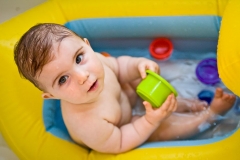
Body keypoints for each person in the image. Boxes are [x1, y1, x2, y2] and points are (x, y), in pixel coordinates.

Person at [14, 23, 236, 154]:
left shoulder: (97, 61)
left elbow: (119, 66)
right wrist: (150, 121)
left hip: (129, 99)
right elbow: (119, 141)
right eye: (63, 80)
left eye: (79, 58)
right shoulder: (86, 123)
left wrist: (139, 64)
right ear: (51, 96)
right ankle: (208, 115)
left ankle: (188, 104)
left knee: (140, 82)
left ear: (87, 46)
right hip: (126, 126)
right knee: (161, 130)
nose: (82, 76)